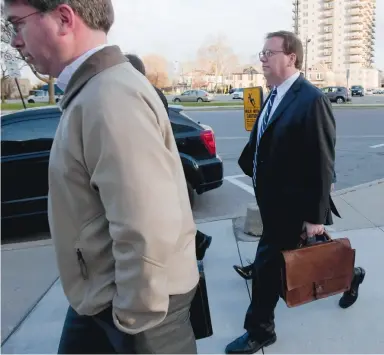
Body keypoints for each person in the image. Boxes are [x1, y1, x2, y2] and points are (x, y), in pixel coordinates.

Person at [5, 1, 199, 353]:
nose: (15, 41)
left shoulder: (109, 95)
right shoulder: (96, 88)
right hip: (106, 295)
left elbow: (146, 223)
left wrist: (133, 316)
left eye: (17, 24)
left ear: (64, 18)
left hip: (138, 311)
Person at [225, 31, 365, 354]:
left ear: (291, 57)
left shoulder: (311, 99)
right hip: (273, 201)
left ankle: (260, 330)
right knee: (308, 258)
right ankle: (351, 275)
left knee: (267, 267)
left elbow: (321, 160)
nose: (262, 59)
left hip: (292, 205)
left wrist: (315, 217)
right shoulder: (273, 95)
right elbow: (265, 138)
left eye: (268, 53)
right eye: (261, 53)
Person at [125, 53, 212, 261]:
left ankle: (195, 243)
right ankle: (196, 241)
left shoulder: (142, 95)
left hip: (151, 160)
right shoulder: (149, 92)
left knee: (162, 215)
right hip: (158, 158)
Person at [233, 169, 338, 280]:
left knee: (311, 248)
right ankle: (259, 269)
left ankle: (352, 275)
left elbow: (323, 158)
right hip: (292, 190)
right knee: (277, 239)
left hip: (306, 195)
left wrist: (316, 217)